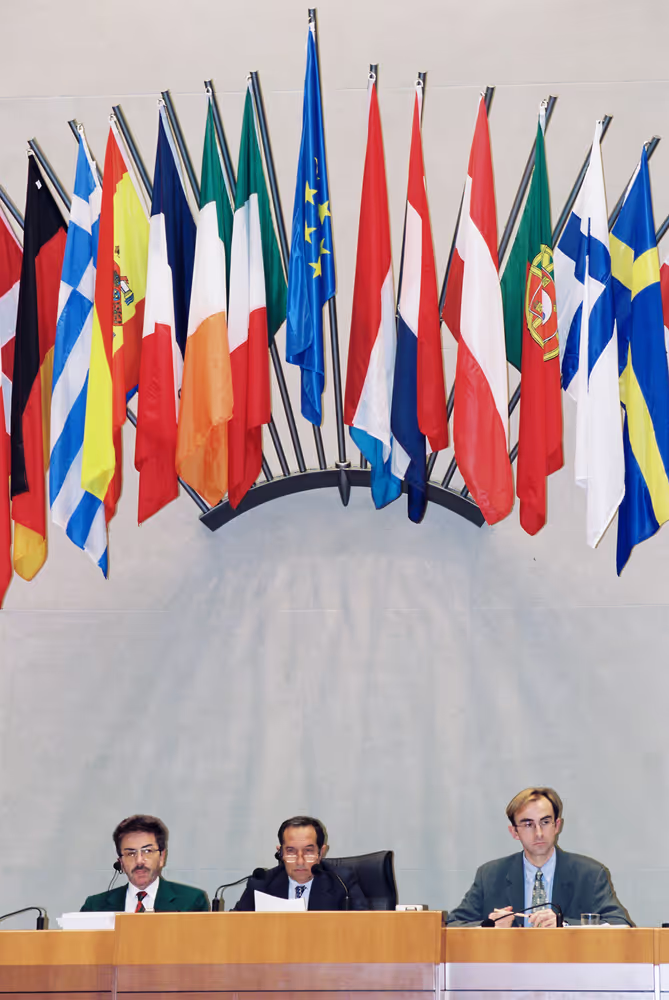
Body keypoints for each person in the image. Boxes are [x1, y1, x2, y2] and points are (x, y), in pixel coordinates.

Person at [447, 787, 632, 927]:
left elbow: (620, 925)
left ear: (556, 825)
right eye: (528, 824)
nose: (539, 833)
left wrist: (564, 925)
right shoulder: (490, 875)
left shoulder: (590, 874)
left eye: (545, 822)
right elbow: (452, 925)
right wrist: (488, 926)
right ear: (514, 832)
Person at [234, 815, 368, 910]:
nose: (300, 861)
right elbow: (235, 927)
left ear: (321, 852)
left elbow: (364, 928)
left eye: (308, 851)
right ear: (280, 853)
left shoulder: (342, 882)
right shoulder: (261, 884)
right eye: (291, 851)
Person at [81, 814, 209, 912]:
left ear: (162, 857)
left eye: (147, 851)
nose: (139, 861)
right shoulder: (95, 906)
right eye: (130, 853)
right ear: (121, 862)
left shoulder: (191, 902)